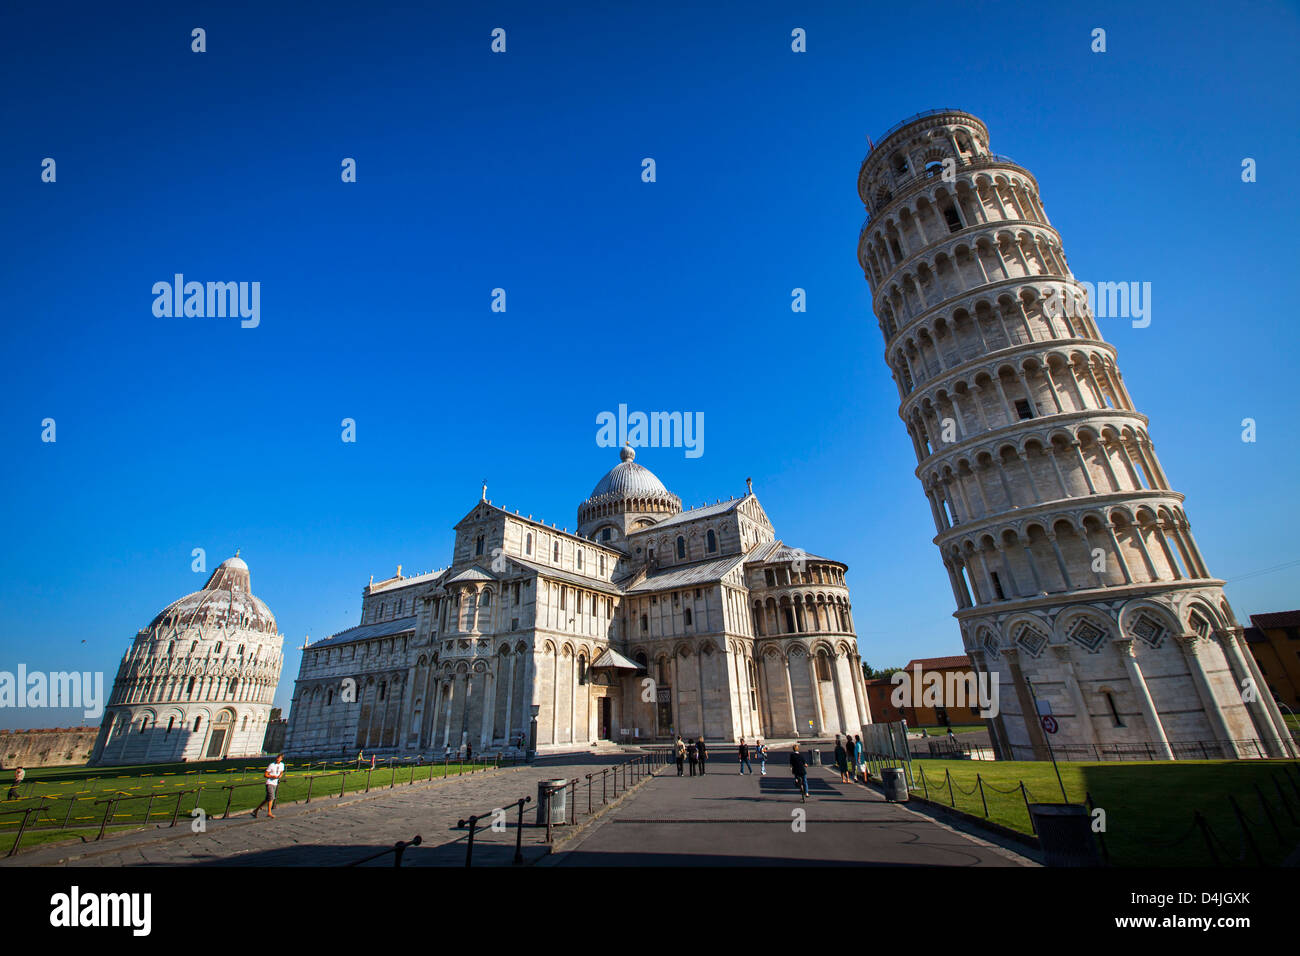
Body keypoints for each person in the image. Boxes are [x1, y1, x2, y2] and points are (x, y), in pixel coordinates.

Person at [252, 754, 285, 819]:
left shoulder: (282, 765)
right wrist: (272, 776)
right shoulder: (271, 765)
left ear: (281, 759)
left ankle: (256, 810)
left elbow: (281, 772)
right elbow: (265, 774)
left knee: (267, 799)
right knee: (272, 797)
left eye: (279, 758)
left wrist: (280, 775)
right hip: (269, 783)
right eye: (277, 757)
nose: (277, 759)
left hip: (275, 783)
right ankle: (269, 813)